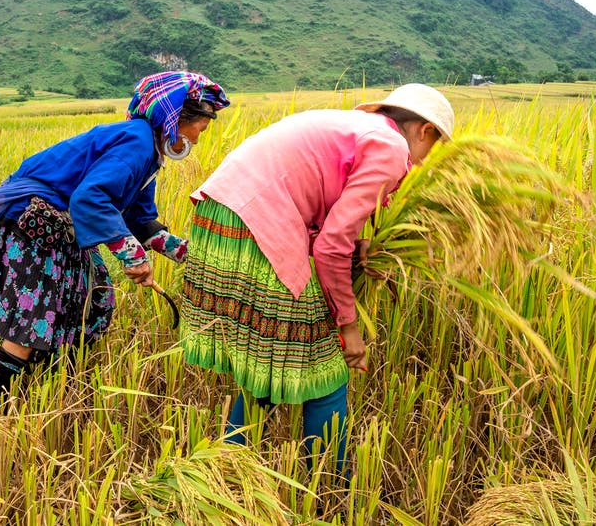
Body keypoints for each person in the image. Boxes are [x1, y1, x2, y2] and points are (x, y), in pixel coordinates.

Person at [179, 83, 454, 469]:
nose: (425, 162)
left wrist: (354, 241)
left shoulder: (359, 128)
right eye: (434, 149)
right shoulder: (391, 148)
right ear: (425, 131)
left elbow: (320, 202)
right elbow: (328, 248)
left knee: (276, 358)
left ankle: (221, 471)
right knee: (325, 367)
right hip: (256, 226)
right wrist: (349, 326)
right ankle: (329, 485)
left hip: (223, 219)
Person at [0, 71, 230, 408]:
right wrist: (131, 255)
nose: (198, 139)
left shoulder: (150, 154)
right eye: (199, 129)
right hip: (35, 225)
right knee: (33, 321)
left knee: (93, 300)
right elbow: (90, 198)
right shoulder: (137, 142)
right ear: (176, 119)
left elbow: (139, 218)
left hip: (61, 227)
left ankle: (45, 385)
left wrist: (186, 253)